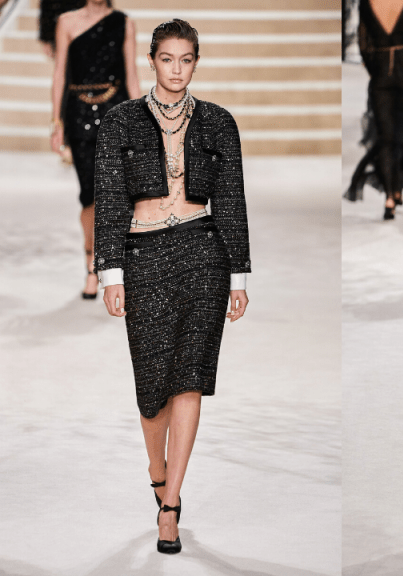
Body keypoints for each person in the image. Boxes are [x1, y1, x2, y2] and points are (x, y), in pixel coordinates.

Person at [93, 19, 251, 555]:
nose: (177, 69)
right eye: (168, 58)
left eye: (186, 59)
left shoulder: (219, 122)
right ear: (152, 61)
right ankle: (156, 469)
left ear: (196, 62)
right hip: (143, 257)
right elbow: (110, 199)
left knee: (190, 380)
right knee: (151, 388)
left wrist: (238, 275)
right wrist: (110, 272)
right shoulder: (119, 122)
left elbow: (231, 200)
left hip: (203, 254)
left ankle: (171, 504)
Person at [49, 0, 140, 299]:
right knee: (88, 195)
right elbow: (60, 73)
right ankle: (91, 263)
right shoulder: (66, 22)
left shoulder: (123, 23)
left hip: (116, 111)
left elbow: (131, 75)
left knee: (112, 196)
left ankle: (107, 266)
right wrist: (56, 122)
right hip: (78, 114)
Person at [345, 0, 403, 220]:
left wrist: (377, 67)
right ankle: (398, 186)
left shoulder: (367, 3)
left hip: (381, 76)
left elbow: (363, 44)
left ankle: (390, 195)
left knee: (386, 137)